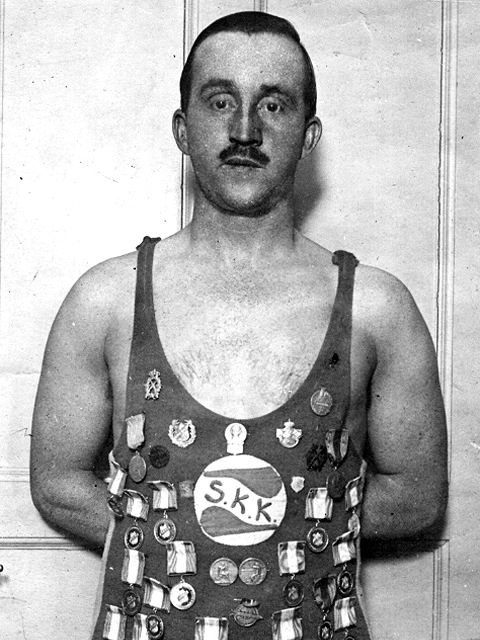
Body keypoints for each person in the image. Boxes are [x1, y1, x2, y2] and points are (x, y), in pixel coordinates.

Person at [30, 11, 448, 640]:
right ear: (183, 128)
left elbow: (418, 497)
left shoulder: (377, 308)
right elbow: (56, 482)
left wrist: (289, 528)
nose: (245, 130)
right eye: (220, 101)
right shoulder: (105, 300)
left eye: (273, 105)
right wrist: (178, 535)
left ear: (308, 136)